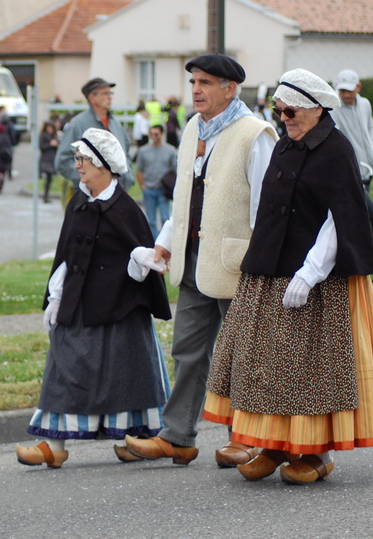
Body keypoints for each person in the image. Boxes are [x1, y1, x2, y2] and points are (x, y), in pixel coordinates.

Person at [203, 68, 373, 484]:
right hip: (269, 270)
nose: (284, 117)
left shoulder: (336, 150)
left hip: (317, 278)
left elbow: (338, 219)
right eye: (279, 110)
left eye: (290, 110)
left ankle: (316, 454)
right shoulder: (286, 145)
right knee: (268, 365)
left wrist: (310, 274)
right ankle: (273, 446)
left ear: (314, 108)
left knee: (313, 370)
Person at [125, 54, 278, 467]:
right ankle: (178, 436)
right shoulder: (193, 127)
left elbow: (268, 209)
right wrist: (166, 241)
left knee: (243, 356)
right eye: (193, 81)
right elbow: (186, 199)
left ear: (230, 89)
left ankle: (247, 438)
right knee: (187, 350)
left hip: (238, 265)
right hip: (194, 260)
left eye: (206, 82)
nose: (195, 89)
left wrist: (260, 265)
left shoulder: (256, 134)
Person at [14, 127, 171, 468]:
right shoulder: (79, 202)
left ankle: (138, 438)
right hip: (78, 304)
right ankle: (53, 444)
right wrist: (55, 295)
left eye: (83, 159)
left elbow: (138, 252)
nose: (78, 166)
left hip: (120, 308)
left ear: (103, 165)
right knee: (64, 364)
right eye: (77, 159)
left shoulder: (125, 208)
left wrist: (140, 258)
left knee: (128, 372)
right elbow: (66, 253)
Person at [330, 68, 373, 283]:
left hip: (366, 170)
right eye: (342, 90)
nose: (345, 94)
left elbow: (368, 130)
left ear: (358, 87)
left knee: (365, 218)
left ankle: (370, 268)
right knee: (371, 216)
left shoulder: (364, 104)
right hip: (349, 173)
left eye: (349, 90)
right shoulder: (333, 108)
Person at [55, 77, 134, 202]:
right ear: (92, 98)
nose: (110, 97)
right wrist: (87, 179)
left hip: (118, 196)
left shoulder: (115, 124)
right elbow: (62, 161)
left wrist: (128, 177)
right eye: (105, 93)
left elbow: (126, 154)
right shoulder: (78, 125)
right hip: (89, 199)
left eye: (110, 93)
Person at [136, 124, 177, 238]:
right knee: (151, 221)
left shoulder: (170, 151)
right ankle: (155, 243)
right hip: (149, 189)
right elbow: (139, 170)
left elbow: (174, 169)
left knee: (165, 218)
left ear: (162, 134)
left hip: (163, 190)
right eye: (151, 134)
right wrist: (143, 186)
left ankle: (166, 243)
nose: (154, 136)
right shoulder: (143, 151)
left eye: (156, 134)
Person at [39, 120, 59, 202]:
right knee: (48, 177)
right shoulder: (44, 136)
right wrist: (50, 144)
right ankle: (45, 195)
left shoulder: (54, 136)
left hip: (52, 159)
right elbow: (41, 147)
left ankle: (46, 195)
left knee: (50, 178)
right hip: (46, 159)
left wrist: (56, 144)